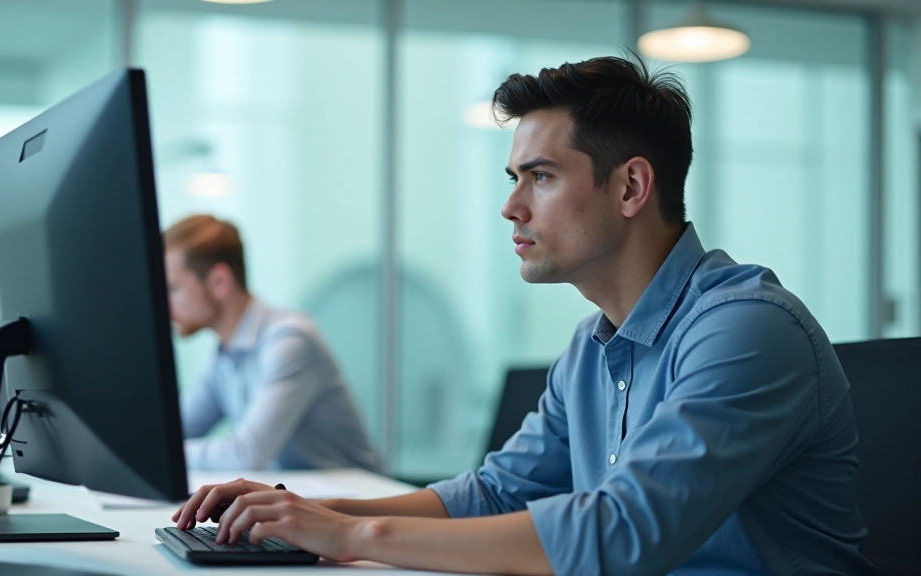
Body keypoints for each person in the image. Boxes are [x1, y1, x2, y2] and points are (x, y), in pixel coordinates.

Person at [171, 57, 877, 575]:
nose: (511, 207)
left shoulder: (747, 329)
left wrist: (353, 538)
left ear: (631, 186)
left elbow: (621, 532)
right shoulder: (590, 347)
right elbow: (493, 494)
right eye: (515, 179)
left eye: (540, 176)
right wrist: (304, 514)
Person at [163, 214, 380, 473]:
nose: (166, 305)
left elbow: (245, 455)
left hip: (360, 494)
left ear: (219, 282)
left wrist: (168, 452)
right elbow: (171, 432)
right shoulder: (223, 357)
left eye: (173, 289)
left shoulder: (290, 341)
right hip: (302, 493)